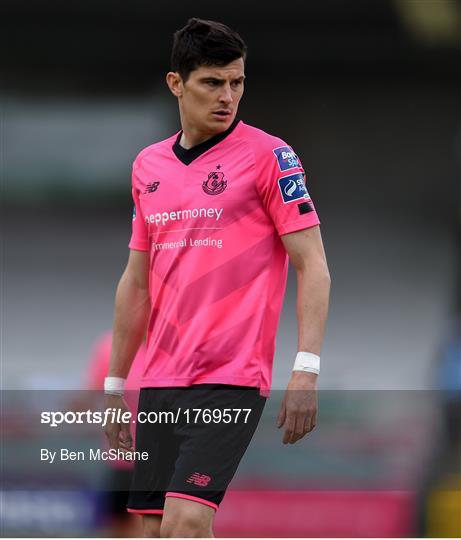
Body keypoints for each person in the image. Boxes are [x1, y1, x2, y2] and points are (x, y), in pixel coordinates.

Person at [104, 17, 330, 538]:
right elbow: (137, 282)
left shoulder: (270, 157)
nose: (228, 95)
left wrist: (306, 368)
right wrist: (116, 386)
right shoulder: (148, 166)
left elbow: (313, 265)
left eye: (237, 82)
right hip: (160, 376)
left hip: (230, 375)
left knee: (185, 522)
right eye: (212, 82)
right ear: (176, 84)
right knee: (155, 529)